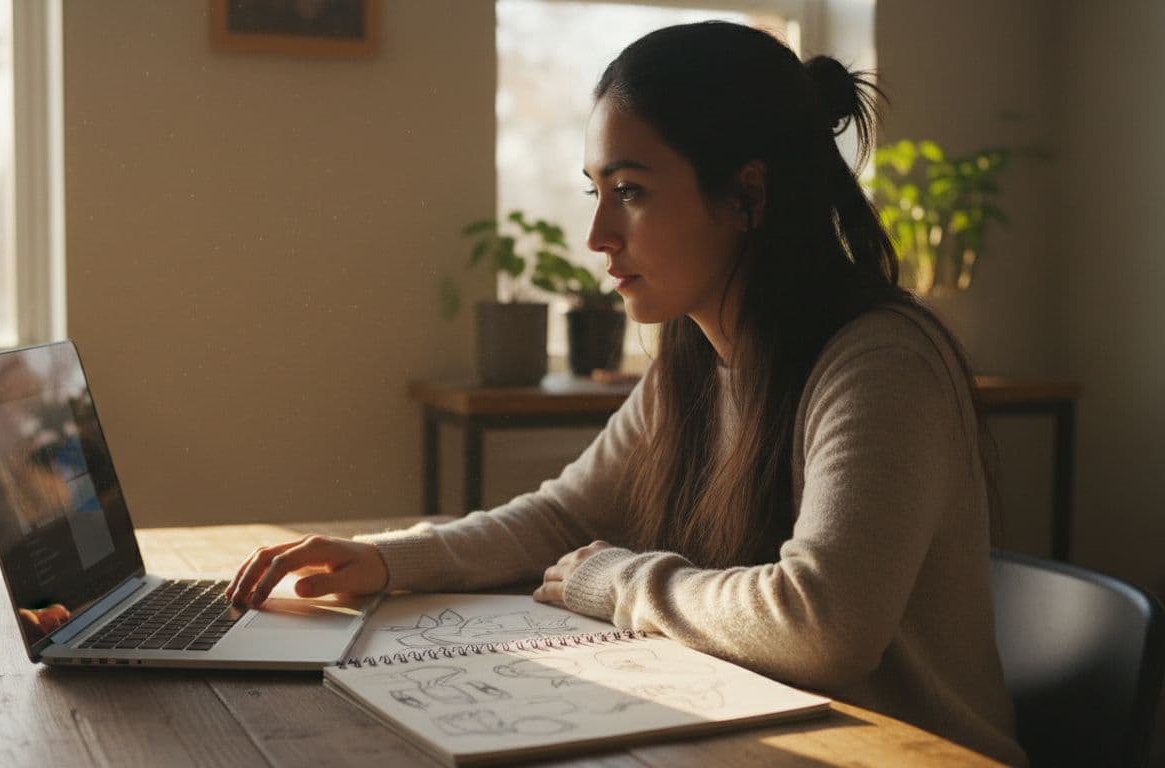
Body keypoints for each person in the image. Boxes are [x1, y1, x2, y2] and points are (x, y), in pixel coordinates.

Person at [226, 21, 1025, 766]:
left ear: (747, 195)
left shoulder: (880, 362)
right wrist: (385, 560)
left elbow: (823, 626)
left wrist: (616, 580)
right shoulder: (693, 351)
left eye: (631, 191)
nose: (599, 236)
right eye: (594, 191)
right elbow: (567, 516)